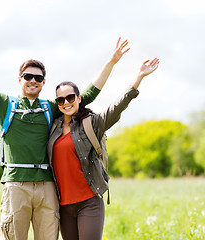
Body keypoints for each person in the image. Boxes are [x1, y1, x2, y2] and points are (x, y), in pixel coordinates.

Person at [0, 12, 130, 239]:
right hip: (16, 185)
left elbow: (86, 95)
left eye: (38, 78)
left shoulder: (52, 106)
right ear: (19, 79)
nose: (33, 80)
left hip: (47, 187)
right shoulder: (3, 104)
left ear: (44, 83)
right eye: (28, 76)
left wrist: (111, 62)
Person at [47, 58, 159, 239]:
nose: (66, 102)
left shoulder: (92, 123)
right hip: (63, 206)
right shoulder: (52, 128)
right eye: (61, 99)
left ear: (79, 98)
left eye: (70, 97)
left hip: (89, 202)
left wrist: (139, 77)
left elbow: (117, 107)